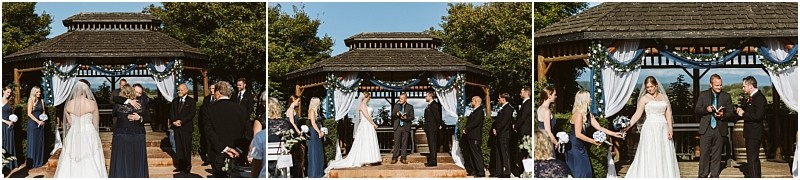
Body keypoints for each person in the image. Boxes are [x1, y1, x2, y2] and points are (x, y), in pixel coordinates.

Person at [622, 76, 680, 178]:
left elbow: (668, 114)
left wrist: (670, 128)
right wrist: (627, 126)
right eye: (647, 87)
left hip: (663, 127)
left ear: (656, 86)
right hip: (650, 128)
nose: (649, 89)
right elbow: (637, 114)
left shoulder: (664, 97)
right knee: (650, 152)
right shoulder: (644, 98)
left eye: (651, 86)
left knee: (663, 152)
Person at [54, 81, 107, 177]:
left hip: (74, 133)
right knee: (91, 156)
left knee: (71, 158)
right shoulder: (92, 103)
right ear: (86, 91)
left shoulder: (69, 104)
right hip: (89, 132)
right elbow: (96, 122)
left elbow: (69, 122)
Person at [566, 90, 623, 178]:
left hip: (581, 146)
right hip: (574, 147)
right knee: (581, 173)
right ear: (584, 100)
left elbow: (599, 127)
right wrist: (593, 141)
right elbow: (578, 134)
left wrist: (614, 134)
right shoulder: (578, 114)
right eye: (589, 97)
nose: (591, 99)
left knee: (587, 172)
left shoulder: (588, 114)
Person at [325, 92, 381, 173]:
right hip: (365, 125)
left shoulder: (366, 105)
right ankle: (365, 159)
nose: (370, 99)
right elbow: (366, 115)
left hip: (368, 125)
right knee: (365, 142)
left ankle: (369, 158)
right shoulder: (362, 105)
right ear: (366, 97)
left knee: (369, 141)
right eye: (369, 97)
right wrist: (374, 124)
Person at [694, 74, 734, 178]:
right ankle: (703, 175)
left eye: (720, 85)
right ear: (710, 84)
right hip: (706, 129)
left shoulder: (726, 96)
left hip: (719, 129)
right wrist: (706, 110)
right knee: (704, 154)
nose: (719, 87)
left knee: (717, 155)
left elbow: (731, 113)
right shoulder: (703, 95)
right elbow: (697, 109)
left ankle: (714, 175)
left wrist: (722, 115)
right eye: (717, 85)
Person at [205, 81, 248, 178]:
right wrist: (238, 149)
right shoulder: (241, 109)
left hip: (217, 153)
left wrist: (225, 148)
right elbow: (248, 132)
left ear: (217, 92)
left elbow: (209, 132)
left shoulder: (210, 110)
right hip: (238, 154)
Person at [108, 84, 148, 178]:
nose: (138, 94)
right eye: (136, 92)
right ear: (132, 91)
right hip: (127, 135)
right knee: (125, 160)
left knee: (132, 160)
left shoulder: (143, 101)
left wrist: (140, 117)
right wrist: (129, 101)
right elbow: (116, 98)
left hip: (136, 135)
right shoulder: (121, 102)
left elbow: (148, 117)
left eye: (140, 93)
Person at [736, 76, 766, 178]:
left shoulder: (759, 98)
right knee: (752, 158)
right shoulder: (752, 98)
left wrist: (743, 114)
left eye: (744, 86)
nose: (743, 88)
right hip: (751, 133)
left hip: (754, 133)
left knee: (752, 158)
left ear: (750, 86)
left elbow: (758, 116)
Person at [170, 84, 195, 173]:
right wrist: (173, 121)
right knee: (179, 148)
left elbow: (191, 114)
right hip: (177, 129)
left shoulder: (191, 101)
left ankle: (188, 166)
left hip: (186, 128)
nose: (179, 92)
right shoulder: (175, 101)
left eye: (181, 90)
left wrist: (181, 121)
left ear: (186, 90)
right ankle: (180, 166)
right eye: (178, 90)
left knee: (186, 148)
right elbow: (171, 112)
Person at [491, 93, 514, 178]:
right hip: (499, 134)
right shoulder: (502, 108)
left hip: (504, 134)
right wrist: (494, 128)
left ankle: (506, 172)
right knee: (498, 153)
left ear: (504, 99)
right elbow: (497, 121)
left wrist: (497, 129)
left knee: (505, 153)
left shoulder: (508, 108)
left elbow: (504, 122)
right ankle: (499, 171)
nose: (498, 99)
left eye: (499, 98)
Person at [512, 86, 532, 177]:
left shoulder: (528, 104)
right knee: (522, 153)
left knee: (524, 153)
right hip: (523, 131)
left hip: (525, 132)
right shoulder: (525, 103)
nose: (520, 94)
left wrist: (515, 125)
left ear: (526, 92)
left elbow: (523, 117)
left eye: (521, 92)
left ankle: (524, 171)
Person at [463, 96, 486, 177]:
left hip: (475, 136)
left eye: (472, 101)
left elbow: (475, 122)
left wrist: (466, 129)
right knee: (471, 154)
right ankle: (474, 170)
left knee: (476, 154)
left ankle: (480, 172)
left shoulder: (479, 111)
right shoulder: (475, 111)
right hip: (471, 136)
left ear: (476, 101)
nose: (471, 103)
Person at [391, 93, 414, 164]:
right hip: (397, 127)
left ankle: (403, 158)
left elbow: (412, 117)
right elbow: (392, 115)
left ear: (405, 99)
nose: (399, 100)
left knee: (404, 143)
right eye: (399, 98)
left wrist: (406, 118)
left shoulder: (410, 107)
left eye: (401, 98)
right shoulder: (396, 106)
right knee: (396, 143)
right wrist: (396, 114)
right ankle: (394, 157)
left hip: (406, 127)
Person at [249, 91, 268, 178]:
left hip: (262, 157)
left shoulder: (260, 119)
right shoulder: (282, 123)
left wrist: (250, 153)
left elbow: (255, 138)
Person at [26, 86, 46, 168]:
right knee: (33, 142)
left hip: (41, 124)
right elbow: (29, 113)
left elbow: (43, 111)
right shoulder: (31, 100)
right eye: (37, 92)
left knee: (39, 142)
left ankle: (39, 161)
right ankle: (32, 163)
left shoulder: (41, 100)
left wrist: (43, 118)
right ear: (34, 92)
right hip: (33, 124)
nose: (39, 93)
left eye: (40, 91)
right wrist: (38, 121)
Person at [536, 86, 558, 157]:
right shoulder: (546, 111)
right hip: (547, 142)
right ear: (549, 96)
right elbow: (548, 131)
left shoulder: (539, 108)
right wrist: (556, 142)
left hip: (540, 141)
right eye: (554, 95)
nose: (556, 97)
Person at [423, 91, 444, 167]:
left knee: (432, 144)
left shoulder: (434, 105)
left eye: (426, 96)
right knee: (430, 144)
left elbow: (437, 116)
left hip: (432, 128)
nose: (425, 97)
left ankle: (433, 161)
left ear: (430, 96)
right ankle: (432, 159)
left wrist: (439, 125)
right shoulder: (429, 105)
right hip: (429, 128)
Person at [306, 97, 324, 178]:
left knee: (319, 152)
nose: (320, 103)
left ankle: (319, 171)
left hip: (318, 131)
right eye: (319, 102)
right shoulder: (311, 111)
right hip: (313, 132)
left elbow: (320, 123)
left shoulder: (317, 112)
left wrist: (322, 130)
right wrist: (319, 131)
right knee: (314, 153)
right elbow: (313, 123)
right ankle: (313, 173)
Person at [2, 86, 19, 173]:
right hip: (2, 125)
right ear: (3, 91)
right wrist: (5, 122)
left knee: (10, 143)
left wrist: (12, 121)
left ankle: (10, 164)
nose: (9, 94)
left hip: (10, 126)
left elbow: (12, 114)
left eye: (10, 92)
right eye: (7, 92)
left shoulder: (10, 102)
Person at [199, 83, 216, 166]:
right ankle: (208, 159)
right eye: (211, 88)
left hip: (216, 124)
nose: (212, 90)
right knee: (207, 142)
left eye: (213, 88)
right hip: (208, 124)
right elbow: (204, 111)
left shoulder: (219, 98)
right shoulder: (206, 99)